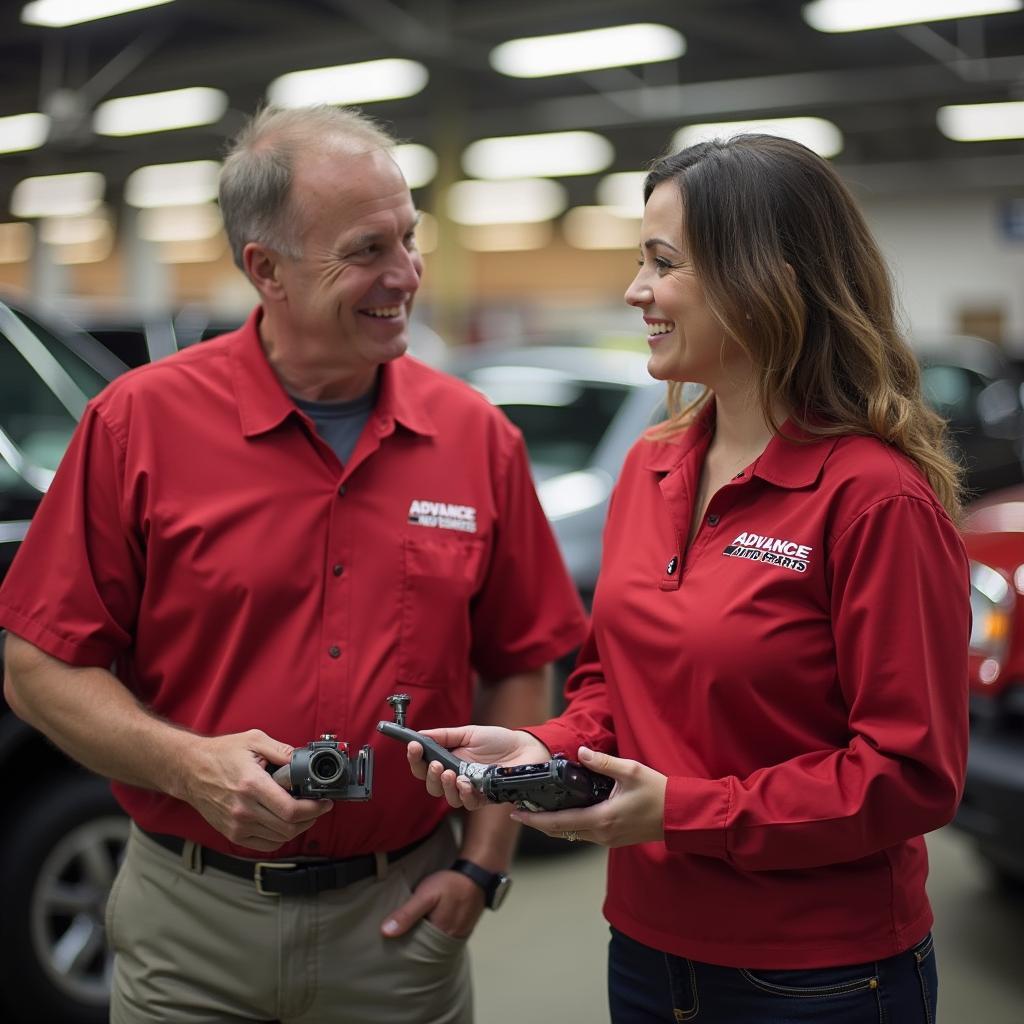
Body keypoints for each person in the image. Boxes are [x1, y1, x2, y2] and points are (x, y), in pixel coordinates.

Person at [0, 105, 587, 1024]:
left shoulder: (477, 439)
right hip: (191, 926)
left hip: (401, 926)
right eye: (364, 251)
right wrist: (189, 765)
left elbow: (521, 660)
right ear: (263, 270)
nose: (404, 276)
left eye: (409, 238)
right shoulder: (137, 426)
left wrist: (483, 863)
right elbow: (37, 668)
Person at [406, 134, 970, 1023]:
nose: (635, 291)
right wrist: (546, 747)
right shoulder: (652, 465)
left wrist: (685, 812)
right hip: (646, 947)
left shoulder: (873, 498)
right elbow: (608, 683)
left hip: (818, 975)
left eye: (661, 263)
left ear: (765, 280)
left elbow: (911, 776)